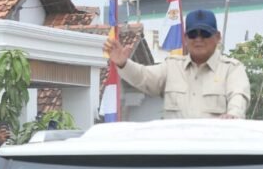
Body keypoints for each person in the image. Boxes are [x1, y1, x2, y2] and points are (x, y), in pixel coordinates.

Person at [104, 9, 250, 119]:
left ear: (217, 37)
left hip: (214, 148)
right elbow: (143, 76)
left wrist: (233, 115)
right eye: (193, 34)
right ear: (185, 38)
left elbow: (238, 96)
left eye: (205, 33)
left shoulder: (231, 69)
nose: (198, 39)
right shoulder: (171, 68)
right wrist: (123, 63)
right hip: (176, 148)